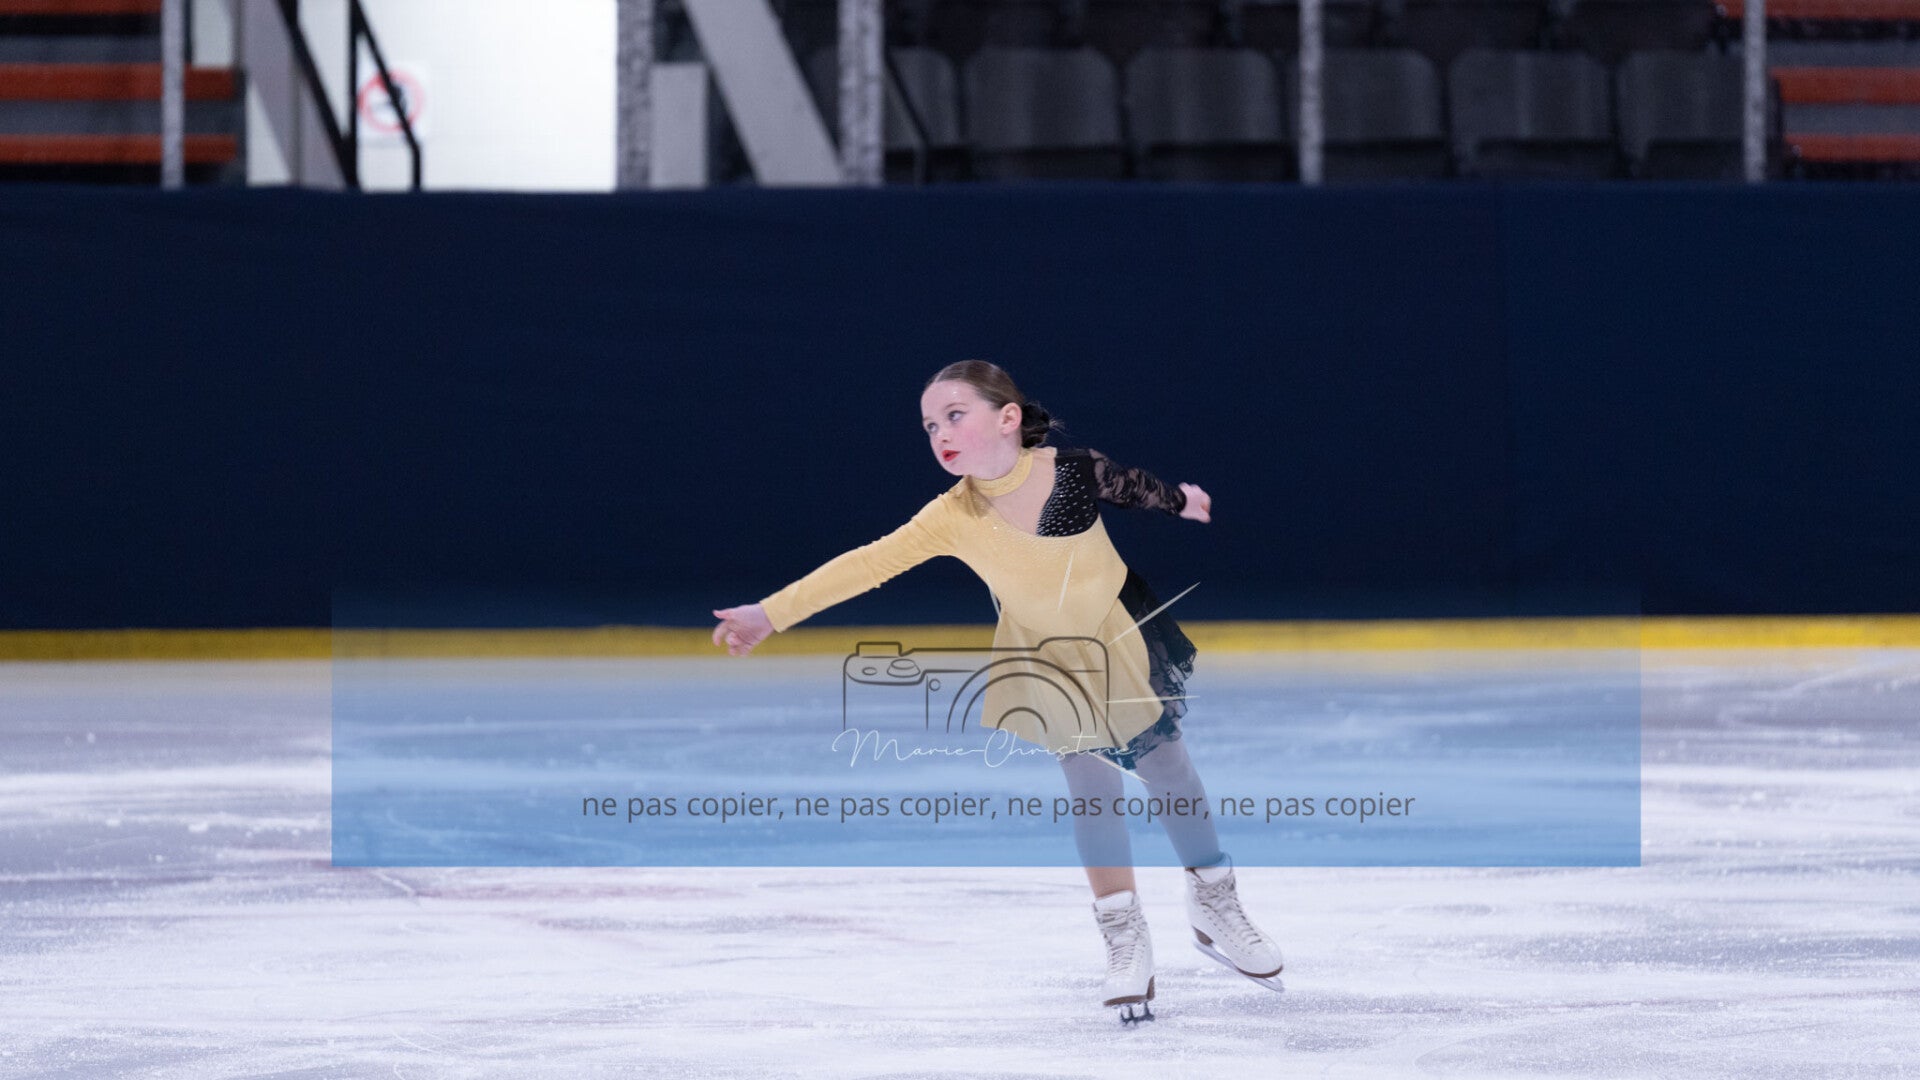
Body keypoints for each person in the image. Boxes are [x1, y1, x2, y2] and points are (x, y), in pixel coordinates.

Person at [711, 360, 1284, 1024]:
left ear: (1008, 417)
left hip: (1119, 631)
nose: (940, 434)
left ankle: (1214, 901)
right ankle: (1124, 933)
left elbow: (1135, 487)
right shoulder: (951, 516)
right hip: (1046, 654)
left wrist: (1183, 501)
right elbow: (866, 564)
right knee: (1092, 786)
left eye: (954, 416)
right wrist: (771, 613)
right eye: (930, 426)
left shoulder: (1073, 470)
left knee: (1168, 767)